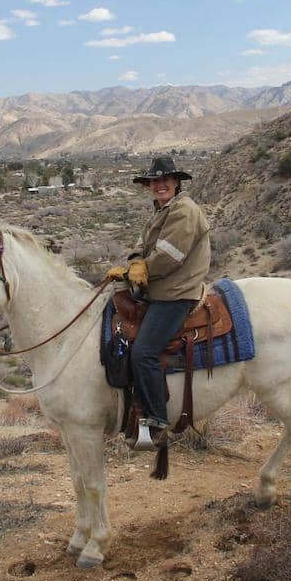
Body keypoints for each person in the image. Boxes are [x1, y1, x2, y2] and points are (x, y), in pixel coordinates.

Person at [106, 156, 211, 444]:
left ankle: (156, 421)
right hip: (159, 289)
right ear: (149, 186)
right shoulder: (160, 211)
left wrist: (135, 272)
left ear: (176, 182)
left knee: (143, 352)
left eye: (165, 179)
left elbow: (169, 257)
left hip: (176, 293)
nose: (160, 184)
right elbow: (141, 247)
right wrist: (133, 264)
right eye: (155, 181)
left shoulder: (184, 211)